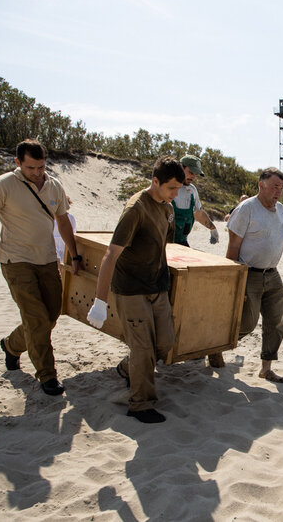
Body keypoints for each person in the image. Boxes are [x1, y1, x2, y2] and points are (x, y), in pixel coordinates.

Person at [0, 139, 80, 396]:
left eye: (41, 167)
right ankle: (47, 375)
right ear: (18, 163)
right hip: (16, 261)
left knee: (50, 317)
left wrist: (75, 256)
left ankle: (11, 345)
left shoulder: (54, 186)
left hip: (48, 260)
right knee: (37, 319)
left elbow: (63, 223)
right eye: (31, 168)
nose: (37, 173)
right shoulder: (2, 185)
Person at [86, 156, 185, 424]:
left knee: (165, 343)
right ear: (155, 181)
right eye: (171, 188)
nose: (175, 195)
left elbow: (165, 246)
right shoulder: (135, 209)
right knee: (143, 350)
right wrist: (99, 301)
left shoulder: (166, 206)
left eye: (179, 189)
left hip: (157, 285)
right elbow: (110, 255)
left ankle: (126, 368)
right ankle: (140, 404)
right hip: (130, 289)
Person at [226, 168, 283, 384]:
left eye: (281, 188)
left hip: (272, 275)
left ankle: (266, 368)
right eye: (275, 187)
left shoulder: (281, 210)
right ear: (261, 185)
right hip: (249, 274)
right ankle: (216, 347)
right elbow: (233, 246)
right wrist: (231, 278)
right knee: (246, 323)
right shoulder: (246, 209)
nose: (278, 193)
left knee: (275, 322)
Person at [172, 155, 219, 247]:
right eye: (190, 172)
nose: (193, 177)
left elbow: (199, 213)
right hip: (164, 243)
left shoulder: (192, 191)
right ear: (181, 167)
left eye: (195, 174)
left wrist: (212, 228)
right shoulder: (166, 187)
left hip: (182, 242)